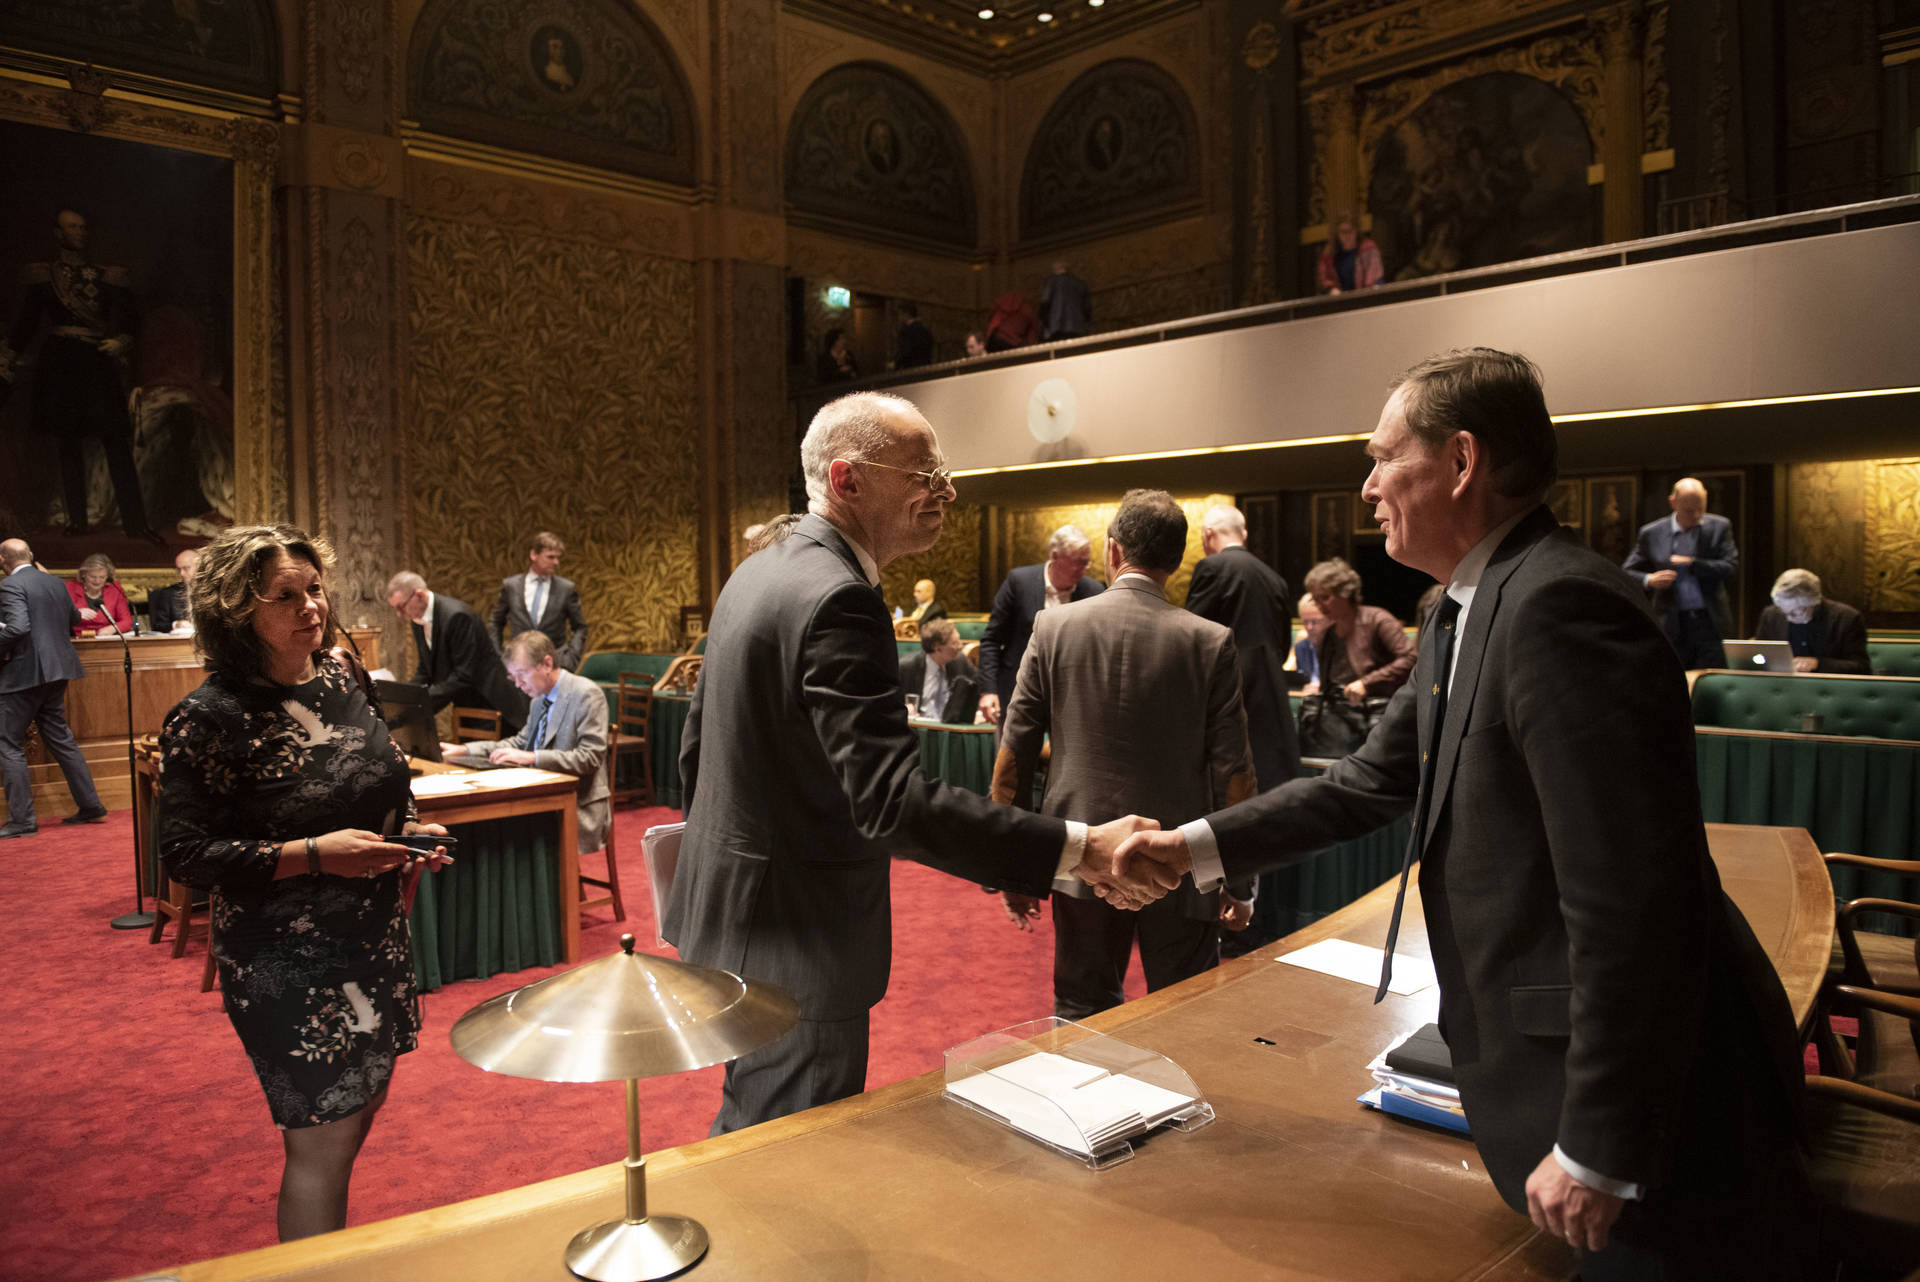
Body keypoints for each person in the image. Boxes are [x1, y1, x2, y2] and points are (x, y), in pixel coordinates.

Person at [1116, 349, 1808, 1278]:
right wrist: (1189, 846)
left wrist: (1602, 1141)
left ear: (1462, 461)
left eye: (1382, 458)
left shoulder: (1560, 607)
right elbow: (1365, 782)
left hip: (1662, 1131)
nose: (1365, 489)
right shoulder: (1466, 603)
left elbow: (1631, 899)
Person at [661, 391, 1168, 1135]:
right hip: (799, 941)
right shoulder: (838, 597)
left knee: (754, 1127)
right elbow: (892, 802)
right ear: (848, 479)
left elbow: (696, 750)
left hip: (734, 917)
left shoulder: (758, 571)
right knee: (786, 1156)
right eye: (925, 473)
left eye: (943, 473)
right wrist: (1076, 848)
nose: (946, 491)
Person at [155, 524, 451, 1241]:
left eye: (314, 589)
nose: (309, 607)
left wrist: (409, 831)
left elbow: (378, 775)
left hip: (371, 939)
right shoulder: (208, 717)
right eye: (283, 596)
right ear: (235, 612)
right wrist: (313, 853)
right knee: (321, 1141)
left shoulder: (344, 675)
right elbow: (187, 854)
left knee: (357, 1118)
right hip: (284, 959)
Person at [994, 490, 1257, 1018]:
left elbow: (1014, 753)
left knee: (1081, 1011)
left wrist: (1014, 866)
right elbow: (1235, 775)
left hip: (1079, 852)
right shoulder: (1210, 642)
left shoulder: (1053, 628)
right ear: (1178, 560)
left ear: (1113, 551)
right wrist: (1240, 879)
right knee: (1186, 1014)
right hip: (1179, 861)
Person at [0, 208, 162, 542]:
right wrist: (8, 358)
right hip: (60, 364)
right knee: (68, 444)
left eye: (83, 227)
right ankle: (77, 521)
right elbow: (27, 323)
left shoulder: (108, 277)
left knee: (116, 442)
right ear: (58, 234)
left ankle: (136, 524)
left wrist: (122, 340)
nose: (80, 233)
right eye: (72, 227)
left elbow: (133, 320)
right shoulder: (43, 277)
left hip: (97, 362)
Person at [440, 631, 609, 853]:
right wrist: (464, 750)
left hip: (578, 804)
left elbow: (590, 758)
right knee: (496, 828)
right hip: (544, 798)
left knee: (507, 833)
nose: (518, 685)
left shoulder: (586, 694)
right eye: (513, 677)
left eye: (522, 675)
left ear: (547, 664)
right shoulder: (538, 700)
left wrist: (532, 757)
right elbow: (520, 742)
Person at [1185, 503, 1302, 789]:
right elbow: (1284, 646)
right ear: (1245, 534)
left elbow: (1191, 638)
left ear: (1207, 534)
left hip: (1227, 697)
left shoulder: (1211, 567)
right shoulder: (1275, 578)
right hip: (1270, 696)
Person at [0, 537, 107, 837]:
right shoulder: (55, 583)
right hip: (58, 671)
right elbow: (74, 618)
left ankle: (22, 820)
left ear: (2, 560)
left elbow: (18, 627)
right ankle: (91, 806)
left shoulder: (10, 586)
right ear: (31, 555)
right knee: (61, 739)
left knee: (7, 742)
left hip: (24, 674)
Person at [976, 524, 1104, 725]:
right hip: (1017, 691)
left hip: (1070, 699)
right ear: (1055, 556)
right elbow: (991, 640)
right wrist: (989, 690)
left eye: (1086, 563)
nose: (1084, 570)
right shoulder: (1019, 582)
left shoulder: (1094, 591)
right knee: (1013, 757)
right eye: (1078, 563)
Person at [385, 571, 527, 732]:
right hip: (465, 702)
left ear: (419, 595)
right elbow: (425, 670)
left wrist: (421, 704)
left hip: (489, 702)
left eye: (401, 607)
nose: (399, 614)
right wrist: (406, 699)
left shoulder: (457, 616)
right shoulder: (417, 620)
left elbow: (464, 675)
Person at [1624, 477, 1739, 670]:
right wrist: (1649, 579)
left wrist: (1693, 564)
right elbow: (1626, 572)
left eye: (1700, 509)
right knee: (1672, 680)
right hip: (1671, 621)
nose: (1695, 515)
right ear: (1673, 502)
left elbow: (1731, 568)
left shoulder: (1720, 527)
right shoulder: (1651, 533)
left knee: (1712, 680)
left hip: (1710, 622)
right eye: (1688, 510)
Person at [1303, 557, 1415, 704]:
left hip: (1377, 709)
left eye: (1325, 597)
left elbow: (1410, 658)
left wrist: (1366, 683)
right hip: (1341, 712)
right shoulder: (1327, 633)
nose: (1319, 605)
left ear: (1345, 593)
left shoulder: (1378, 619)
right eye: (1315, 599)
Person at [487, 531, 589, 672]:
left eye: (557, 558)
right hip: (517, 665)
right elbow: (496, 622)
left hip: (553, 666)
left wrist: (570, 658)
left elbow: (580, 627)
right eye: (550, 557)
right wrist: (498, 656)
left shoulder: (566, 589)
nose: (556, 562)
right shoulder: (511, 586)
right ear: (534, 555)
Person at [1752, 568, 1870, 674]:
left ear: (1813, 603)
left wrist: (1817, 664)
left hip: (1828, 688)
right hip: (1781, 686)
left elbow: (1861, 667)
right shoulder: (1771, 615)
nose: (1788, 618)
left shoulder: (1847, 618)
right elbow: (1759, 654)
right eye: (1784, 612)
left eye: (1794, 613)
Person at [897, 617, 977, 723]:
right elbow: (890, 703)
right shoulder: (907, 667)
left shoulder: (960, 661)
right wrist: (904, 709)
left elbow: (980, 684)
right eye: (954, 643)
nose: (960, 646)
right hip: (919, 727)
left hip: (950, 726)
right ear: (937, 648)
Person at [66, 551, 136, 636]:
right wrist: (75, 615)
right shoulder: (69, 588)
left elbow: (127, 621)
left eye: (102, 577)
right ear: (84, 574)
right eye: (93, 577)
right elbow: (55, 617)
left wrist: (112, 628)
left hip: (105, 639)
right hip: (74, 640)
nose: (97, 581)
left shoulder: (114, 590)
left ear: (107, 576)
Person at [1315, 214, 1384, 295]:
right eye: (1343, 232)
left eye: (1350, 231)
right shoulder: (1330, 253)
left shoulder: (1368, 248)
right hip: (1341, 300)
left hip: (1366, 295)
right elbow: (1324, 279)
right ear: (1337, 234)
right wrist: (1331, 290)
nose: (1347, 235)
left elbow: (1375, 279)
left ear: (1356, 231)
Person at [147, 547, 200, 633]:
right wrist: (175, 625)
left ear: (199, 567)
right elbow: (158, 625)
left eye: (186, 568)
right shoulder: (169, 594)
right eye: (178, 569)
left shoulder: (212, 591)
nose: (181, 574)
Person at [1039, 260, 1092, 341]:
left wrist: (1043, 319)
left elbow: (1045, 302)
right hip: (1078, 326)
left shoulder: (1051, 282)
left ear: (1055, 269)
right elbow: (1087, 307)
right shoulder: (1080, 283)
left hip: (1056, 327)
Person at [1288, 591, 1327, 691]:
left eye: (1315, 622)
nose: (1309, 627)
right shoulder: (1301, 647)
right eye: (1305, 622)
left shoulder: (1340, 646)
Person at [893, 303, 933, 369]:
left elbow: (906, 351)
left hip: (910, 367)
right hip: (925, 366)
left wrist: (896, 363)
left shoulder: (906, 330)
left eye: (900, 314)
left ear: (906, 314)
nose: (898, 317)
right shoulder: (925, 330)